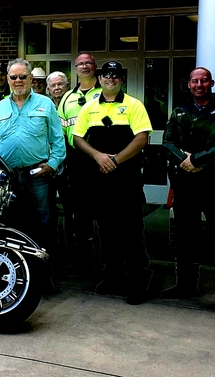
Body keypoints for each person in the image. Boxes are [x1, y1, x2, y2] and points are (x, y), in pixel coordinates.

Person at [162, 67, 215, 316]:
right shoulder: (181, 110)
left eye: (204, 80)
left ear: (212, 83)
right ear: (189, 84)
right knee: (185, 236)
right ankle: (186, 284)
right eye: (195, 81)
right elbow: (168, 142)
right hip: (186, 183)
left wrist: (198, 160)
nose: (199, 85)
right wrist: (185, 161)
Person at [72, 61, 153, 305]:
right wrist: (98, 156)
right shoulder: (89, 107)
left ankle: (137, 284)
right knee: (106, 231)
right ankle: (112, 278)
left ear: (122, 80)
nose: (111, 79)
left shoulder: (134, 105)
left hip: (127, 179)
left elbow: (141, 138)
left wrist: (115, 160)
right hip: (100, 180)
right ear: (100, 79)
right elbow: (77, 138)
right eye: (106, 75)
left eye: (115, 75)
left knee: (131, 232)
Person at [0, 58, 65, 248]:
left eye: (22, 77)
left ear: (30, 78)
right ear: (8, 79)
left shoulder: (45, 104)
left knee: (41, 221)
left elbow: (58, 139)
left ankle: (42, 261)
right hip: (8, 177)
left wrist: (52, 164)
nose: (18, 81)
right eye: (14, 77)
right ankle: (16, 261)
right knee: (9, 222)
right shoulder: (1, 106)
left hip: (37, 175)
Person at [57, 54, 102, 273]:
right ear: (75, 69)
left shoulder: (106, 92)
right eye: (80, 64)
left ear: (95, 67)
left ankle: (106, 261)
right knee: (78, 214)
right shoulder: (68, 97)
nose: (84, 67)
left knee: (103, 213)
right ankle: (81, 261)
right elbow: (60, 130)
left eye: (88, 63)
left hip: (101, 159)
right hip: (75, 161)